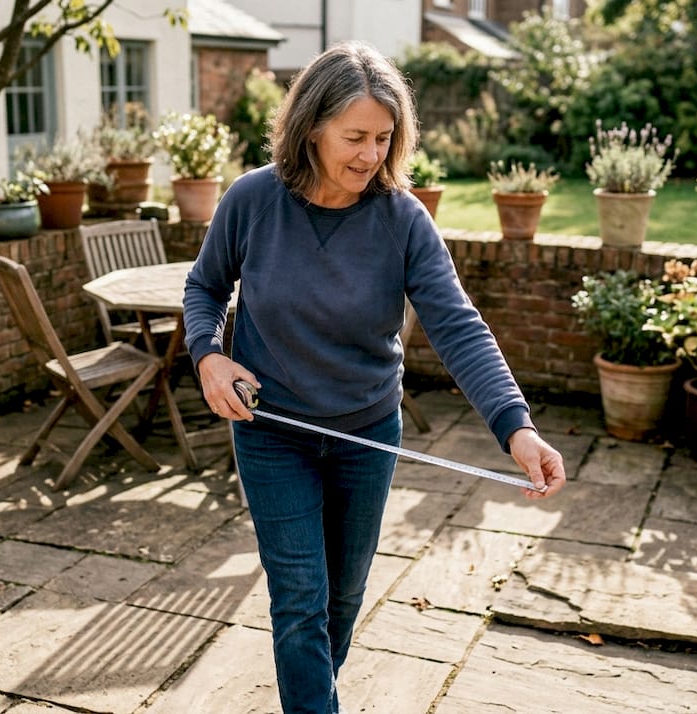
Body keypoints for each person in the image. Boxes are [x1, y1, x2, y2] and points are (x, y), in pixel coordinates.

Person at [182, 40, 566, 714]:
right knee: (300, 596)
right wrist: (209, 355)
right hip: (274, 433)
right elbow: (206, 290)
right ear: (310, 128)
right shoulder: (253, 200)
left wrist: (518, 428)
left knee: (343, 598)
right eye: (354, 136)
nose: (369, 154)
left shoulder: (402, 219)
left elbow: (458, 326)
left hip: (368, 435)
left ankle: (312, 695)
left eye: (383, 138)